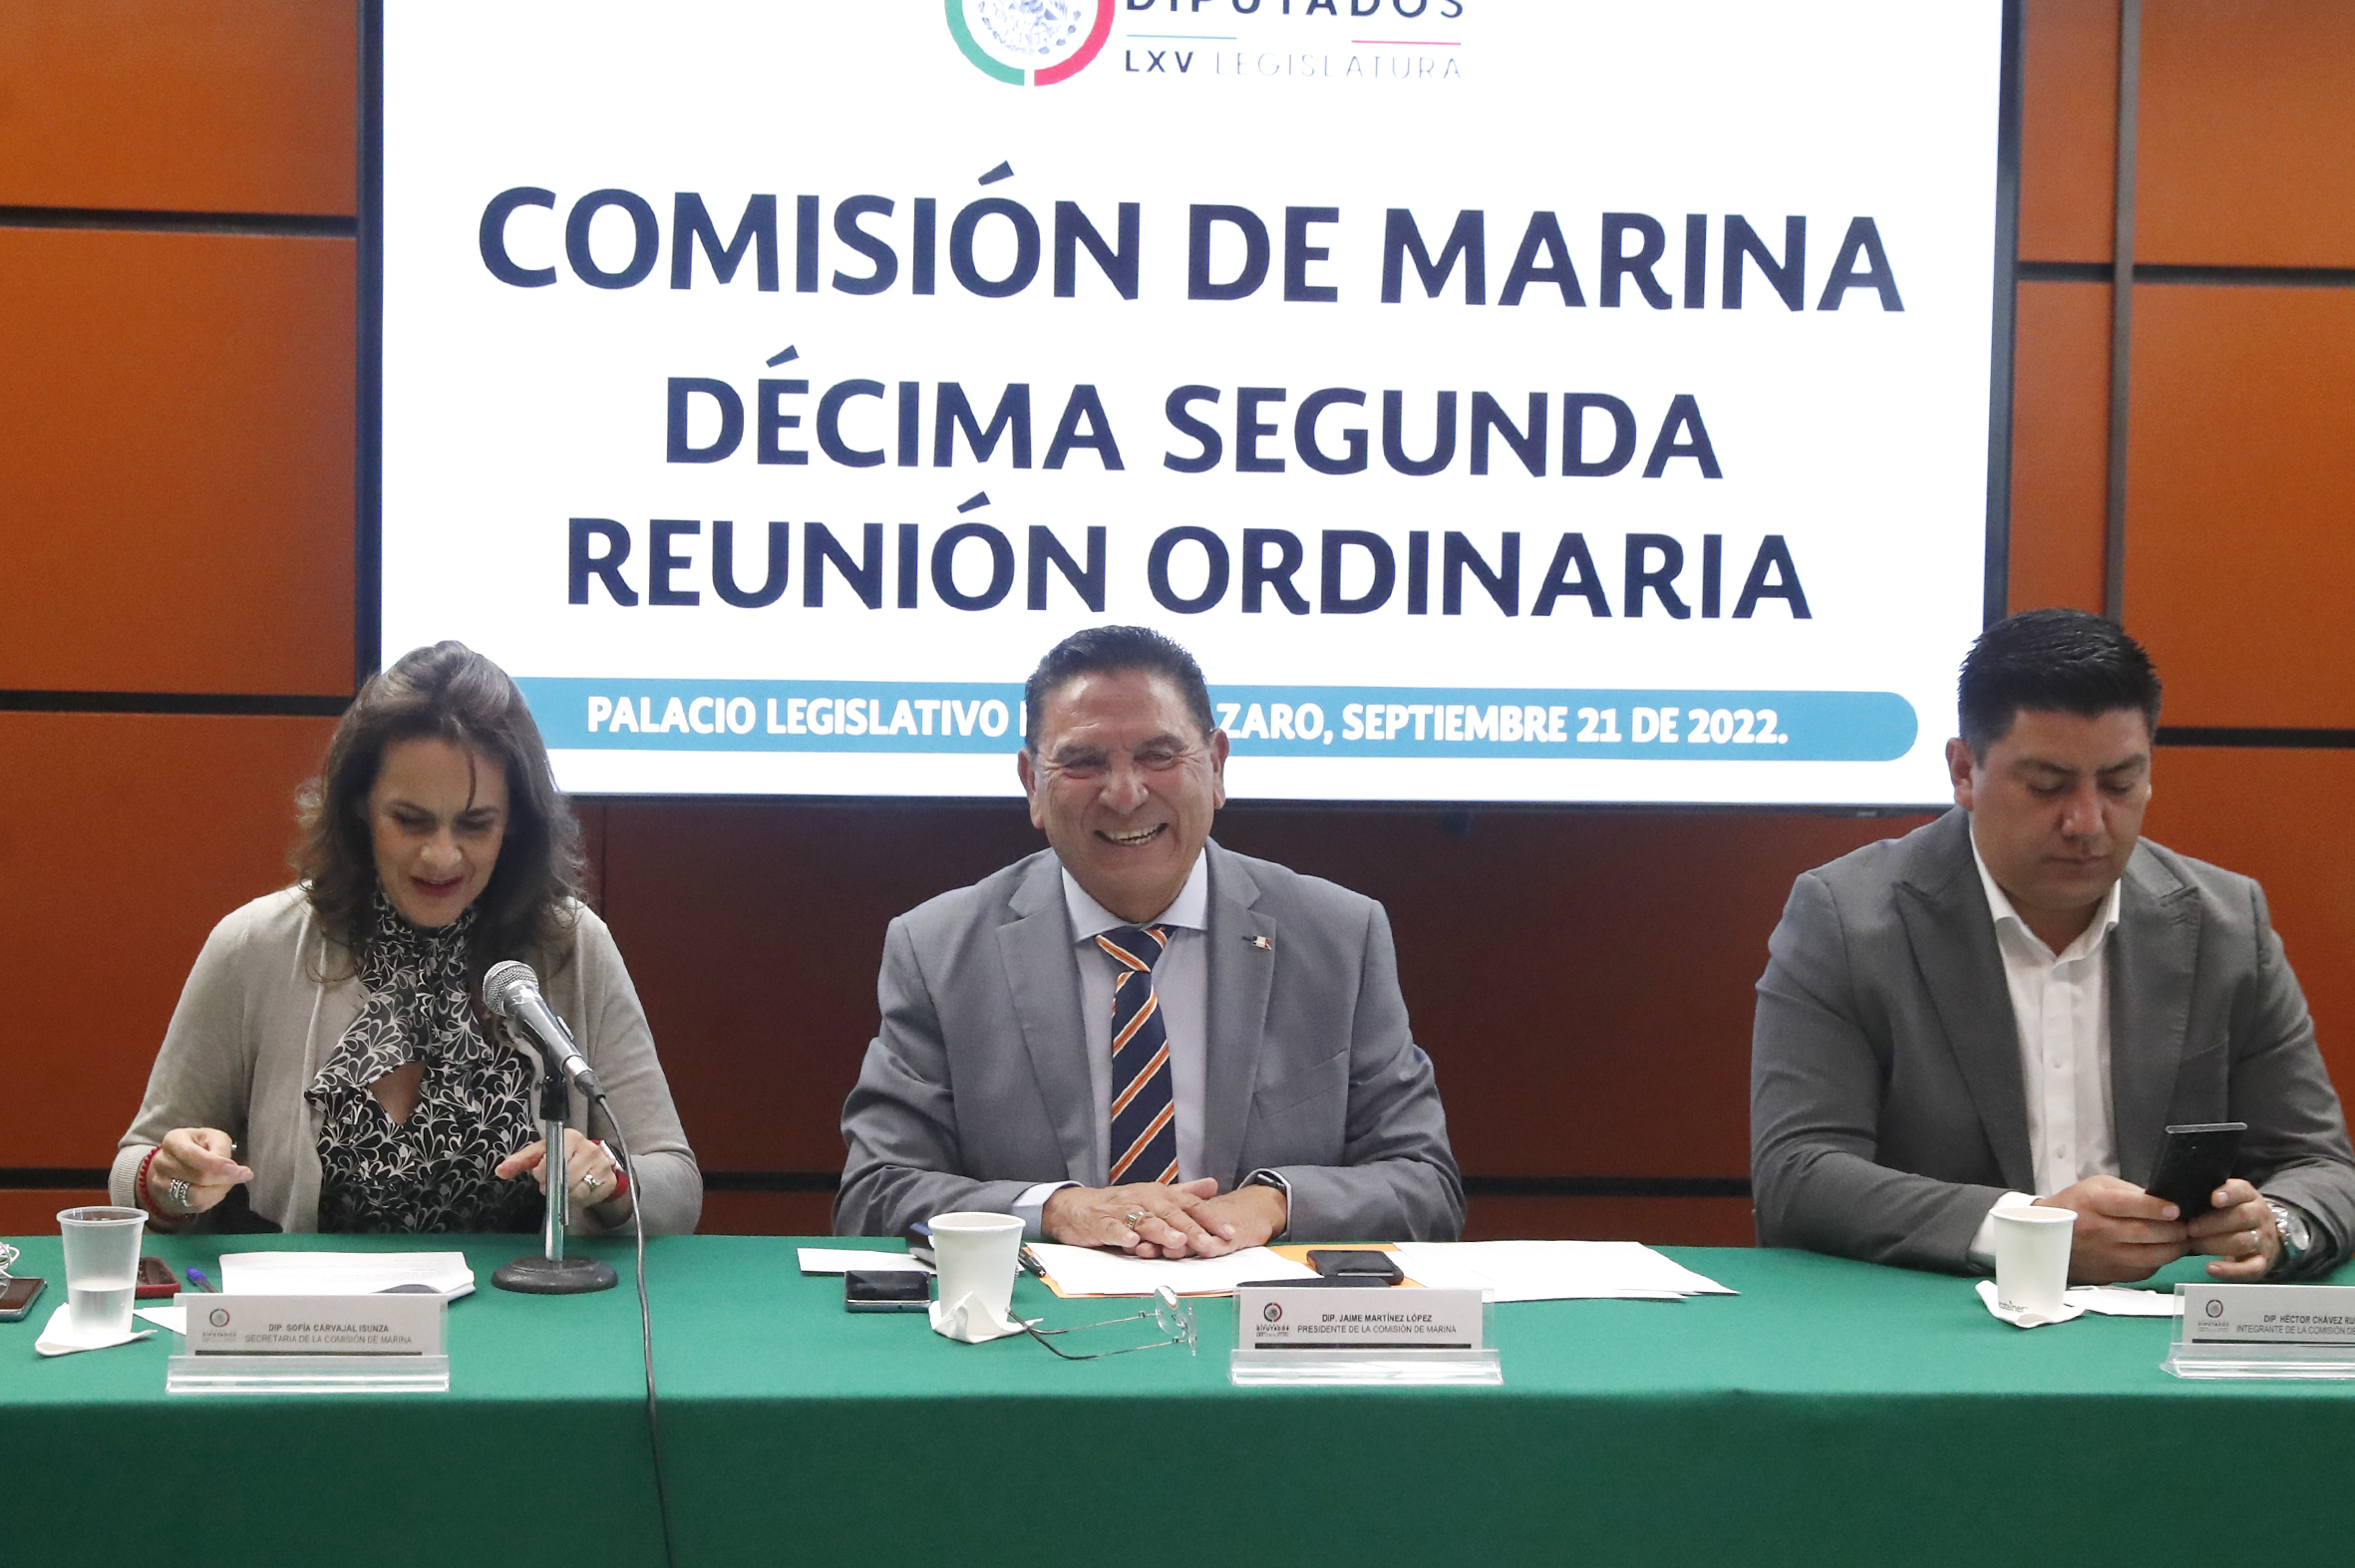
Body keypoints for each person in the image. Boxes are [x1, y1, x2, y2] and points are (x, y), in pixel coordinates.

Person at [1752, 608, 2355, 1282]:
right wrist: (2028, 1229)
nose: (2087, 822)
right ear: (1963, 771)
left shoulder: (2226, 923)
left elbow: (2320, 1165)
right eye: (2047, 785)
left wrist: (2276, 1225)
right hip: (1938, 1323)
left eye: (2120, 783)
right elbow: (1797, 1176)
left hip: (2162, 1322)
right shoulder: (1845, 919)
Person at [837, 625, 1462, 1254]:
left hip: (1254, 1308)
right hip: (1038, 1314)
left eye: (1159, 756)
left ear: (1216, 767)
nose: (1125, 794)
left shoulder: (1339, 936)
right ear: (1031, 783)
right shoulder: (938, 949)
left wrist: (1274, 1203)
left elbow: (1425, 1186)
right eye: (1083, 762)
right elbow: (875, 1194)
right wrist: (1054, 1210)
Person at [111, 641, 700, 1236]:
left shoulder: (572, 945)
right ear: (359, 807)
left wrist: (607, 1181)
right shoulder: (255, 945)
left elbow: (676, 1185)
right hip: (315, 1302)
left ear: (516, 823)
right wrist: (175, 1184)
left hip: (521, 1298)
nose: (441, 856)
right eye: (411, 821)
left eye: (475, 824)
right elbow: (136, 1167)